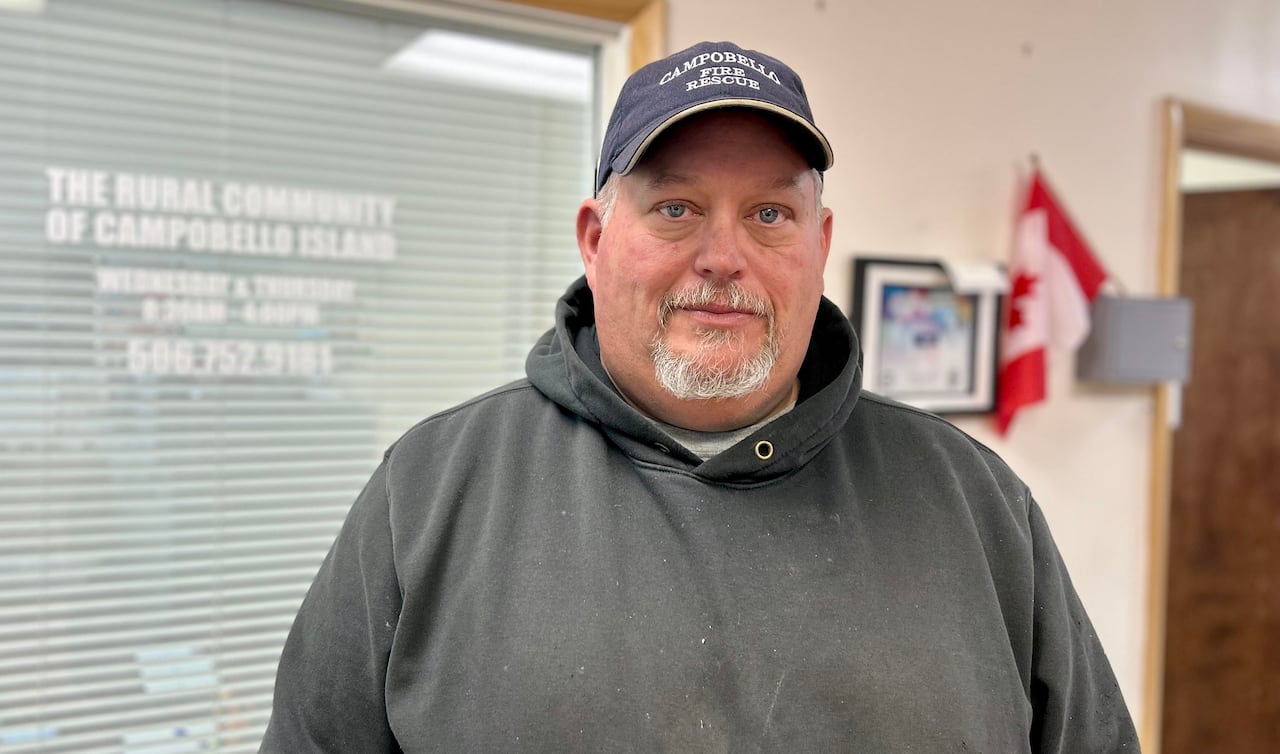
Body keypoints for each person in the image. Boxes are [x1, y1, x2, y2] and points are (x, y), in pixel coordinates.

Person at [260, 41, 1139, 752]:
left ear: (819, 242)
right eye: (676, 208)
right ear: (596, 240)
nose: (724, 257)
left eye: (768, 215)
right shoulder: (428, 492)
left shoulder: (975, 503)